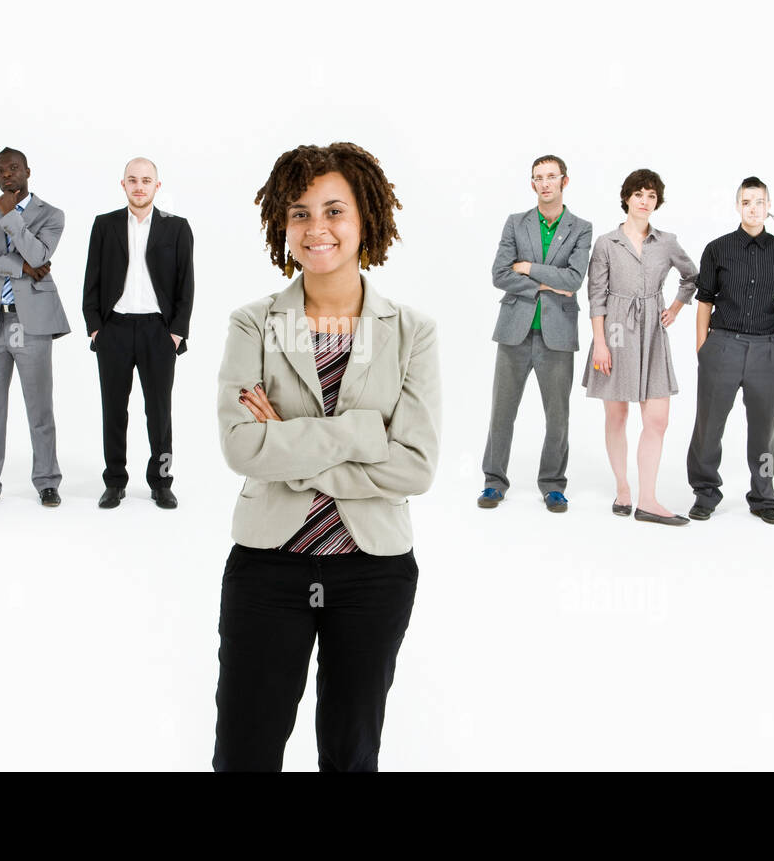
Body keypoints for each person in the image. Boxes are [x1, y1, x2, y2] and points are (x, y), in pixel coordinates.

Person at [213, 142, 441, 771]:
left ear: (364, 218)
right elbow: (241, 445)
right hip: (268, 569)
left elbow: (415, 466)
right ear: (282, 228)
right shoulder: (252, 324)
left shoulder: (412, 331)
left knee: (350, 754)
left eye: (334, 210)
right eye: (299, 214)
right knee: (244, 755)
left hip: (373, 572)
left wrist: (287, 440)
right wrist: (364, 432)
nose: (317, 229)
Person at [583, 168, 697, 526]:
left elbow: (692, 275)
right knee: (616, 415)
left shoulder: (666, 241)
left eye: (651, 196)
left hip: (652, 330)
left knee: (658, 419)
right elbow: (595, 296)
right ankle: (623, 488)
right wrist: (600, 344)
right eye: (639, 194)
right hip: (614, 330)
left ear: (657, 202)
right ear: (627, 198)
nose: (645, 201)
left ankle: (648, 498)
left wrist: (675, 308)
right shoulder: (605, 243)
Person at [479, 154, 592, 512]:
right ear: (533, 184)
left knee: (557, 416)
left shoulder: (581, 227)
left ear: (564, 181)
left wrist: (528, 268)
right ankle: (494, 482)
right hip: (515, 330)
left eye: (550, 177)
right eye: (538, 178)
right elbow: (499, 274)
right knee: (501, 413)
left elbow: (574, 279)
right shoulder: (516, 223)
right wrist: (546, 286)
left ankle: (553, 485)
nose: (544, 183)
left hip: (557, 335)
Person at [0, 147, 70, 510]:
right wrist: (17, 266)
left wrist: (11, 218)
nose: (6, 175)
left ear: (27, 171)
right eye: (0, 170)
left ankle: (47, 481)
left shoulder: (51, 214)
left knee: (39, 406)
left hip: (31, 322)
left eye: (13, 168)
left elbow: (39, 255)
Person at [81, 157, 194, 510]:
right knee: (113, 409)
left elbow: (185, 285)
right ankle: (114, 481)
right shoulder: (105, 225)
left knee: (159, 413)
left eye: (146, 180)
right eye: (133, 180)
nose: (139, 186)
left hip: (157, 332)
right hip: (113, 329)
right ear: (123, 184)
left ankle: (161, 481)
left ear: (157, 186)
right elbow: (91, 281)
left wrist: (176, 332)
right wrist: (96, 329)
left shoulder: (177, 227)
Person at [686, 177, 774, 524]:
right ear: (738, 206)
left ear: (768, 207)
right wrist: (703, 348)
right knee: (709, 426)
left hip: (767, 351)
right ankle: (706, 491)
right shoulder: (718, 249)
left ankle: (763, 496)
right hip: (722, 347)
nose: (753, 208)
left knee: (764, 430)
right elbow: (704, 300)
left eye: (759, 202)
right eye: (747, 202)